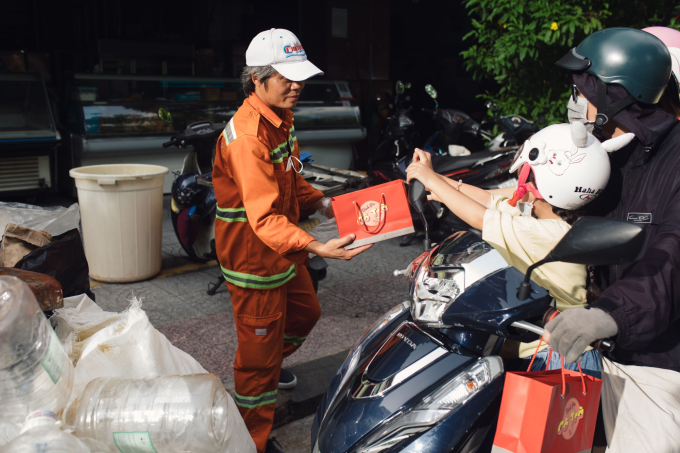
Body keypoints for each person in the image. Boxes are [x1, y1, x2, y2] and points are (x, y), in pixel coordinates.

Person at [212, 28, 370, 453]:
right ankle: (251, 440)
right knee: (257, 361)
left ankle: (262, 365)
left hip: (281, 251)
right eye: (287, 77)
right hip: (253, 260)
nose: (297, 85)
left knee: (306, 314)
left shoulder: (278, 120)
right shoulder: (247, 139)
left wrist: (322, 205)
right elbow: (262, 216)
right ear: (257, 80)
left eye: (300, 76)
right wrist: (319, 246)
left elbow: (291, 177)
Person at [406, 122, 633, 378]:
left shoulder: (545, 233)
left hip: (553, 359)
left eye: (524, 173)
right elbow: (487, 198)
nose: (519, 180)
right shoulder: (556, 219)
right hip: (559, 352)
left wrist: (428, 177)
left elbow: (481, 217)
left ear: (537, 185)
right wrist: (435, 179)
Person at [547, 27, 680, 452]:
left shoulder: (675, 161)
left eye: (580, 90)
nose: (573, 102)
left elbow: (670, 258)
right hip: (608, 349)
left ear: (615, 96)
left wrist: (610, 312)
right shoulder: (614, 157)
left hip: (660, 366)